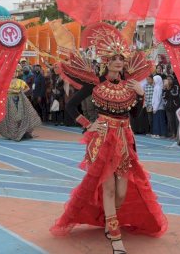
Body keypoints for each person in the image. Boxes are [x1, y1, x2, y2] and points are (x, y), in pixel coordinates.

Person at [51, 24, 167, 253]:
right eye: (114, 58)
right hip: (102, 140)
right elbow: (71, 106)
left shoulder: (129, 86)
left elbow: (135, 114)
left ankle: (108, 219)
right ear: (106, 61)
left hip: (124, 140)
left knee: (122, 191)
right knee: (109, 189)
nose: (118, 62)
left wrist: (141, 96)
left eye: (121, 58)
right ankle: (115, 236)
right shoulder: (94, 84)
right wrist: (87, 124)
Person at [0, 66, 42, 141]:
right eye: (12, 72)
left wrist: (21, 92)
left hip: (19, 100)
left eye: (15, 72)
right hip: (9, 100)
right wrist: (13, 91)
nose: (13, 74)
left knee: (21, 116)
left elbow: (27, 88)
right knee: (11, 116)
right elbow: (3, 89)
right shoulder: (6, 81)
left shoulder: (20, 81)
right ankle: (12, 133)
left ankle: (21, 132)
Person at [162, 76, 180, 141]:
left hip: (175, 106)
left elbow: (175, 94)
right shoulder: (165, 88)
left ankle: (178, 135)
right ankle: (173, 134)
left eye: (169, 79)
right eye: (167, 79)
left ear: (172, 80)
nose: (168, 81)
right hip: (168, 107)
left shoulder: (176, 87)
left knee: (176, 121)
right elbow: (164, 96)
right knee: (171, 121)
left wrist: (168, 89)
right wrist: (166, 89)